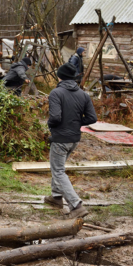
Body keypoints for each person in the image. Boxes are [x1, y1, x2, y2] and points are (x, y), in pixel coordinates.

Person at [43, 62, 97, 218]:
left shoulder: (56, 93)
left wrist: (50, 125)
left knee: (58, 171)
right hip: (74, 139)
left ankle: (76, 205)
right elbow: (92, 118)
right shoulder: (83, 94)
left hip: (60, 138)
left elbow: (55, 117)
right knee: (57, 168)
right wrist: (75, 122)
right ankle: (56, 198)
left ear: (59, 76)